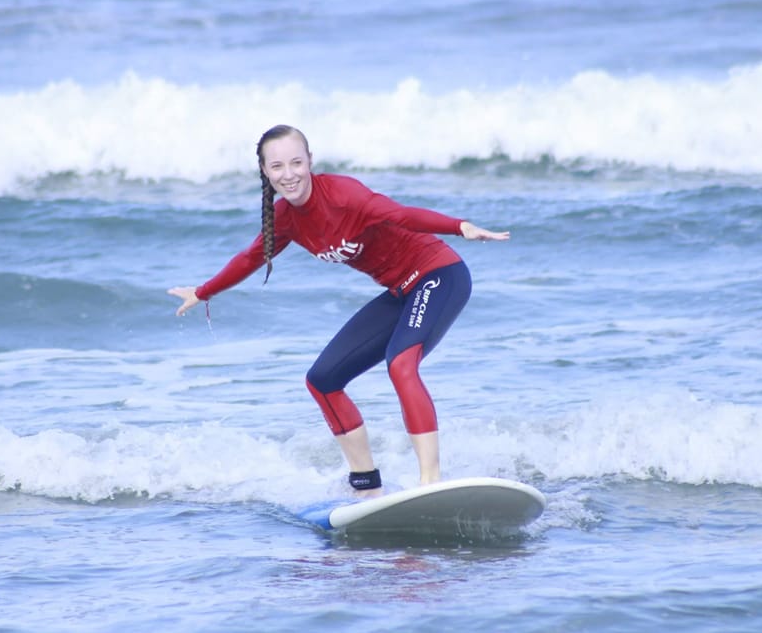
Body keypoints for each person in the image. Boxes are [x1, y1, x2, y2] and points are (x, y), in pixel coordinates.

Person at [169, 124, 509, 496]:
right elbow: (251, 257)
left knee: (401, 364)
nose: (289, 174)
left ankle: (431, 481)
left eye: (297, 163)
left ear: (310, 161)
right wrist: (203, 292)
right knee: (323, 380)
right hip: (400, 292)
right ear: (265, 172)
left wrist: (459, 227)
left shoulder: (343, 195)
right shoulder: (284, 218)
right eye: (278, 166)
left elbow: (401, 215)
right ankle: (366, 486)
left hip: (438, 274)